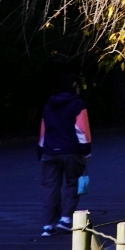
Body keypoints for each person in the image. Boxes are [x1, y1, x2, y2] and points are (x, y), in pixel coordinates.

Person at [38, 72, 92, 237]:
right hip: (71, 151)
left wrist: (41, 149)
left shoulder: (49, 105)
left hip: (49, 151)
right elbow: (81, 129)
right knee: (72, 184)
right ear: (74, 87)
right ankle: (65, 219)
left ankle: (48, 224)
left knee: (50, 187)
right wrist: (86, 150)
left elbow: (43, 129)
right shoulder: (77, 104)